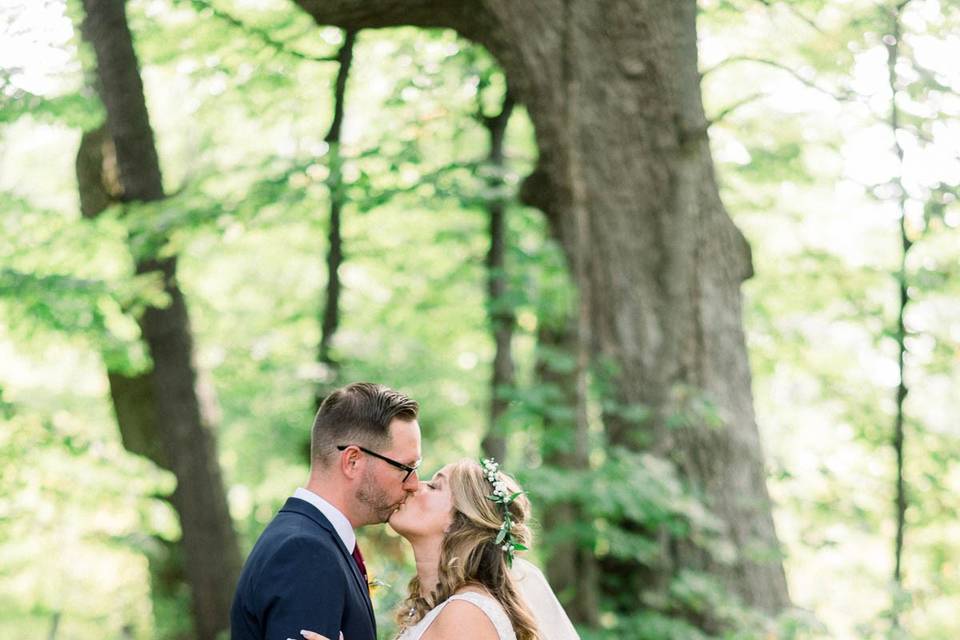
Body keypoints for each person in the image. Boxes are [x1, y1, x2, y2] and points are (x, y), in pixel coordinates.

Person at [300, 458, 580, 640]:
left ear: (461, 521)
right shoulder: (436, 610)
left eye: (435, 486)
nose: (414, 486)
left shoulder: (467, 615)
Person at [230, 382, 422, 640]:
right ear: (352, 461)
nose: (414, 484)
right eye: (404, 468)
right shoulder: (305, 551)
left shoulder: (314, 539)